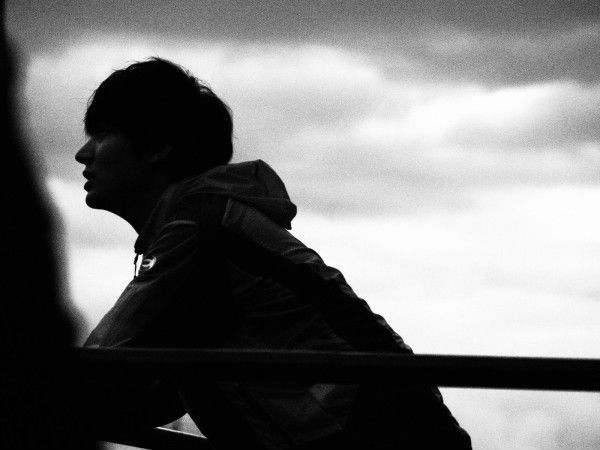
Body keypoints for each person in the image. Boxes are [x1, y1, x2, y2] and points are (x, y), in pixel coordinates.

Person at [75, 57, 471, 449]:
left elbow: (101, 358)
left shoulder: (194, 226)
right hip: (403, 425)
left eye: (102, 135)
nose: (83, 154)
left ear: (159, 146)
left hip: (384, 432)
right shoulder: (208, 221)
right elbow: (165, 385)